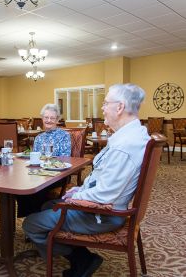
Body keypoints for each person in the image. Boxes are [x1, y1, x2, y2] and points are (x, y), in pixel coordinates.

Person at [22, 83, 150, 277]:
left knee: (30, 223)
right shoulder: (133, 136)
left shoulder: (124, 147)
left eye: (106, 103)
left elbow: (105, 195)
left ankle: (82, 259)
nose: (102, 108)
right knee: (47, 205)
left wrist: (77, 196)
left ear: (120, 107)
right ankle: (75, 252)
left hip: (103, 214)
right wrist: (79, 190)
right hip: (108, 207)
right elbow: (104, 181)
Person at [17, 103, 71, 218]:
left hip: (57, 174)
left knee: (36, 189)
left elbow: (66, 158)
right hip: (39, 173)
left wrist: (48, 164)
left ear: (57, 120)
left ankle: (36, 219)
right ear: (42, 119)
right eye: (46, 117)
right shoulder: (38, 137)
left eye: (52, 118)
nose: (49, 120)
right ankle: (32, 218)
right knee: (20, 186)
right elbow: (35, 158)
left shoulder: (64, 135)